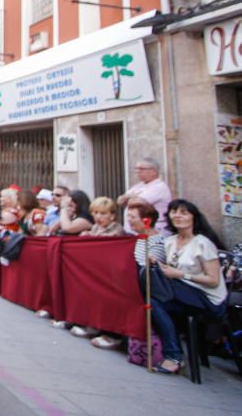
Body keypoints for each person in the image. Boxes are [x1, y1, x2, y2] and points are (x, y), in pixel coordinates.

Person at [151, 199, 228, 374]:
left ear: (194, 217)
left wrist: (181, 275)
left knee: (154, 296)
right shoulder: (169, 241)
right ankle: (173, 354)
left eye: (184, 213)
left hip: (207, 299)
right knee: (152, 300)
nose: (177, 216)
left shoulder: (203, 243)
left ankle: (173, 356)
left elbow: (213, 280)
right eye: (173, 212)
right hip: (181, 294)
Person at [87, 200, 165, 349]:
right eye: (128, 216)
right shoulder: (134, 237)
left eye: (133, 217)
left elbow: (151, 270)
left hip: (144, 285)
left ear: (146, 220)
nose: (129, 220)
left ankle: (113, 334)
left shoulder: (156, 241)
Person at [119, 157, 172, 235]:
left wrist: (128, 197)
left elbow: (133, 203)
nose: (138, 171)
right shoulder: (138, 186)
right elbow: (119, 201)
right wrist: (130, 196)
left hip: (151, 232)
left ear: (153, 171)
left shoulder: (159, 187)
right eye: (136, 169)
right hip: (133, 231)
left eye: (141, 169)